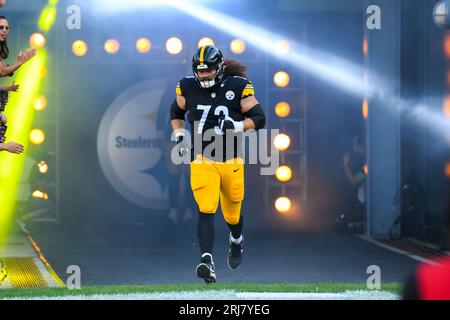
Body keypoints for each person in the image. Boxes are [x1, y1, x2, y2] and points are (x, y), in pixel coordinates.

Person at [170, 45, 265, 283]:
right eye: (199, 71)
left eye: (208, 70)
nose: (203, 76)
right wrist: (179, 134)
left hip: (231, 158)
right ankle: (206, 260)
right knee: (206, 207)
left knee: (232, 215)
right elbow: (176, 110)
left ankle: (236, 241)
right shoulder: (186, 86)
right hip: (202, 158)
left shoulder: (237, 86)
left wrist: (239, 125)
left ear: (219, 68)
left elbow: (259, 117)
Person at [335, 134, 366, 233]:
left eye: (354, 146)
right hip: (362, 201)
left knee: (341, 223)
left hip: (366, 204)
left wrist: (345, 164)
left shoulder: (367, 166)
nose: (353, 149)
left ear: (361, 146)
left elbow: (353, 182)